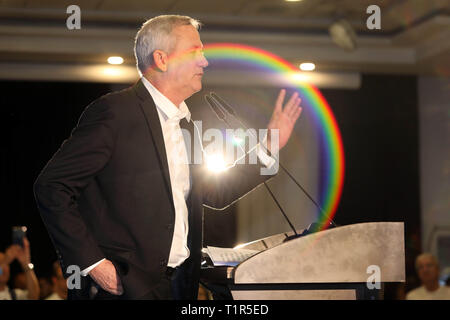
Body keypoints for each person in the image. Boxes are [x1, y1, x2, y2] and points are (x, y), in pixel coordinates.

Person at [33, 15, 302, 300]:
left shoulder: (184, 124)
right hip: (123, 290)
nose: (205, 62)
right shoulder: (116, 113)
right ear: (161, 59)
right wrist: (93, 264)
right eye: (195, 51)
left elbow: (213, 193)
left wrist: (268, 147)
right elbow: (51, 187)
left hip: (178, 287)